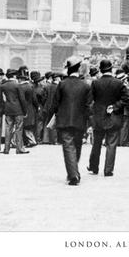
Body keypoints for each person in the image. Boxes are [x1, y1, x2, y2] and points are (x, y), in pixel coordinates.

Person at [48, 55, 92, 185]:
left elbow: (55, 104)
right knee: (77, 146)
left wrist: (55, 115)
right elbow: (88, 106)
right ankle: (73, 171)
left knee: (68, 147)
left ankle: (73, 174)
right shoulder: (85, 85)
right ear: (79, 69)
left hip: (64, 120)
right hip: (80, 121)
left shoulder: (62, 84)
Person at [87, 59, 129, 178]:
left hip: (98, 117)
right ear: (111, 69)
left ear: (100, 70)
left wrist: (93, 114)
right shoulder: (119, 83)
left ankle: (94, 167)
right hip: (114, 117)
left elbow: (89, 101)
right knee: (111, 144)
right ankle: (108, 170)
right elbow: (127, 98)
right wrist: (115, 106)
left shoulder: (95, 83)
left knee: (96, 143)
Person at [0, 68, 28, 155]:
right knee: (18, 129)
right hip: (18, 110)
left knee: (8, 129)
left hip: (8, 109)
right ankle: (19, 148)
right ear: (14, 76)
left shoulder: (2, 86)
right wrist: (25, 111)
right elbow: (22, 99)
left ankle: (6, 149)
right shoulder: (17, 85)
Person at [42, 72, 60, 145]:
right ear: (57, 78)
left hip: (47, 107)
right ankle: (55, 140)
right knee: (55, 123)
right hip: (55, 107)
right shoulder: (59, 86)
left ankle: (47, 139)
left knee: (48, 123)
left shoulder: (47, 86)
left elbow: (44, 97)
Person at [31, 71, 48, 144]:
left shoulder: (31, 87)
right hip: (39, 106)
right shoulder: (40, 89)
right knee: (39, 123)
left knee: (33, 123)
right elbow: (44, 99)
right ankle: (38, 138)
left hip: (31, 107)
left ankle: (32, 138)